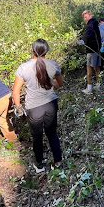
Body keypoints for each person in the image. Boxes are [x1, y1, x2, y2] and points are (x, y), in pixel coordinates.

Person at [12, 39, 63, 173]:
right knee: (52, 134)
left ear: (31, 50)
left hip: (34, 108)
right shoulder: (53, 65)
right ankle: (58, 164)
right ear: (46, 50)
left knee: (37, 137)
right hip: (51, 104)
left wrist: (18, 107)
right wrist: (51, 85)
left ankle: (40, 165)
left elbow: (15, 92)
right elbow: (60, 83)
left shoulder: (23, 68)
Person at [80, 10, 102, 94]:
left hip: (91, 49)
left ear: (90, 15)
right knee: (96, 67)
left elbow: (88, 33)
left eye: (86, 17)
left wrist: (83, 40)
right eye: (84, 18)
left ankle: (89, 88)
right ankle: (98, 84)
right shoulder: (95, 23)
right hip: (97, 49)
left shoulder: (91, 24)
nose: (85, 19)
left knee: (89, 68)